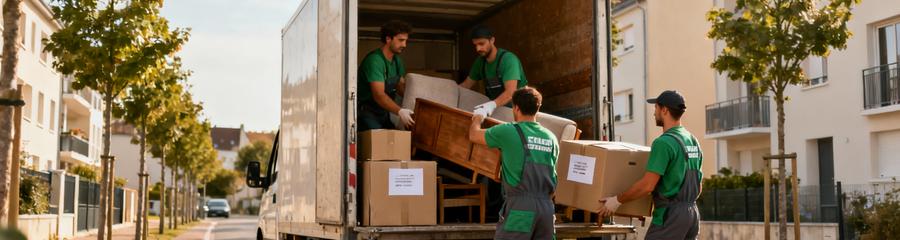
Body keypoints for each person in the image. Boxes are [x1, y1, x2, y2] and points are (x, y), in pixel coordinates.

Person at [597, 90, 703, 240]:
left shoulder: (663, 143)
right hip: (692, 214)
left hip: (670, 216)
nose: (654, 113)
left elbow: (647, 185)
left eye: (656, 108)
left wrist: (617, 200)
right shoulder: (692, 140)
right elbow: (698, 186)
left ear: (664, 110)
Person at [469, 87, 558, 239]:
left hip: (520, 208)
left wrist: (479, 116)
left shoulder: (508, 131)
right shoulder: (551, 138)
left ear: (516, 108)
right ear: (538, 108)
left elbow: (474, 135)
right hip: (546, 211)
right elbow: (554, 179)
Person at [357, 20, 415, 131]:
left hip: (383, 112)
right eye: (401, 40)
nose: (404, 45)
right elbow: (378, 95)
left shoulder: (397, 61)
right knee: (378, 143)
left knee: (395, 139)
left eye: (406, 41)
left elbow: (400, 86)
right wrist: (400, 111)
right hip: (367, 113)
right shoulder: (375, 61)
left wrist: (414, 101)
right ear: (388, 39)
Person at [459, 25, 528, 117]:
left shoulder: (508, 60)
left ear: (492, 40)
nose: (478, 49)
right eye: (475, 45)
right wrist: (450, 91)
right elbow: (466, 85)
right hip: (498, 110)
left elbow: (510, 93)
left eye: (481, 44)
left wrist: (491, 105)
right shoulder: (480, 62)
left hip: (520, 111)